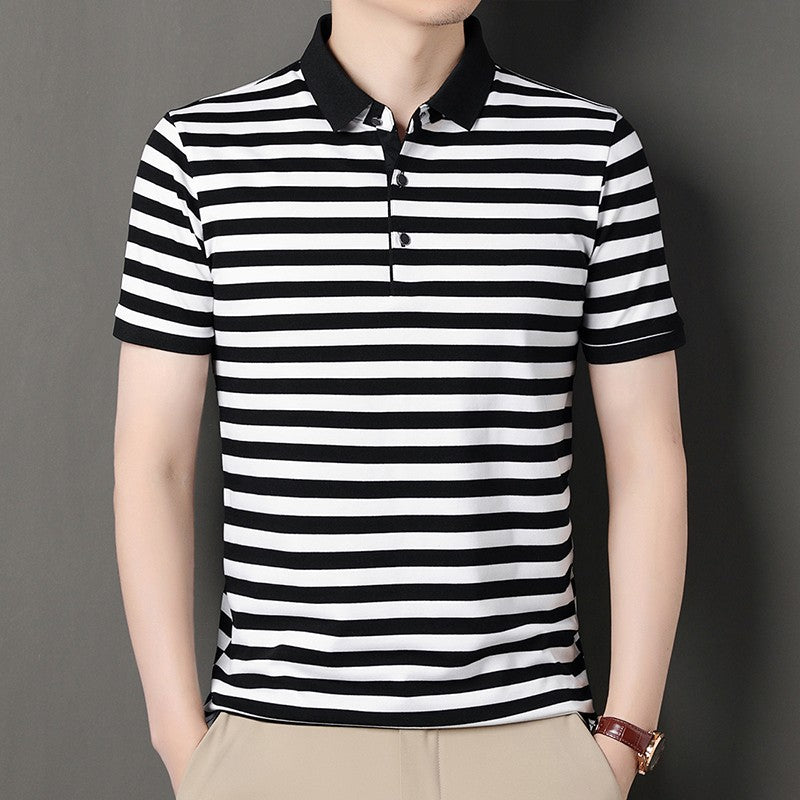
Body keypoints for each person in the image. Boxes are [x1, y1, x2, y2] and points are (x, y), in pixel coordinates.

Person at [111, 2, 687, 799]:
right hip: (277, 744)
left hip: (530, 740)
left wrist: (624, 737)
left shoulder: (592, 151)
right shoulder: (199, 154)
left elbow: (649, 456)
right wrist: (182, 742)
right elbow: (154, 465)